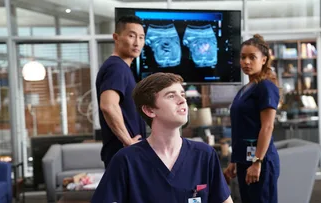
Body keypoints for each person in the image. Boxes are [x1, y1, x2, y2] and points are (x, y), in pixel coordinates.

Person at [91, 72, 233, 203]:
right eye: (171, 96)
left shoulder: (205, 155)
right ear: (149, 110)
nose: (182, 100)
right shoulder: (126, 160)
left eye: (182, 94)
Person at [224, 34, 281, 203]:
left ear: (263, 60)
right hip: (244, 160)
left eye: (252, 57)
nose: (246, 62)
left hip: (260, 161)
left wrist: (257, 162)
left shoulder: (266, 87)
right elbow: (241, 128)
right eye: (243, 57)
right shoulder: (245, 89)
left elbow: (267, 127)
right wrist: (235, 160)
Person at [95, 15, 146, 168]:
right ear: (116, 37)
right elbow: (108, 106)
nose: (137, 42)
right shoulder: (116, 68)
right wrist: (128, 141)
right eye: (131, 36)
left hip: (127, 153)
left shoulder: (123, 68)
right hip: (123, 154)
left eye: (141, 37)